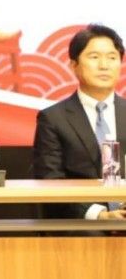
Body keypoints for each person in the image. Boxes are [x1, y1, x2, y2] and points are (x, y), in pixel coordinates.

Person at [33, 23, 126, 220]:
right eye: (94, 57)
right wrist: (100, 215)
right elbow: (50, 180)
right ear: (74, 65)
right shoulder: (53, 118)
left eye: (112, 57)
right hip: (84, 221)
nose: (104, 65)